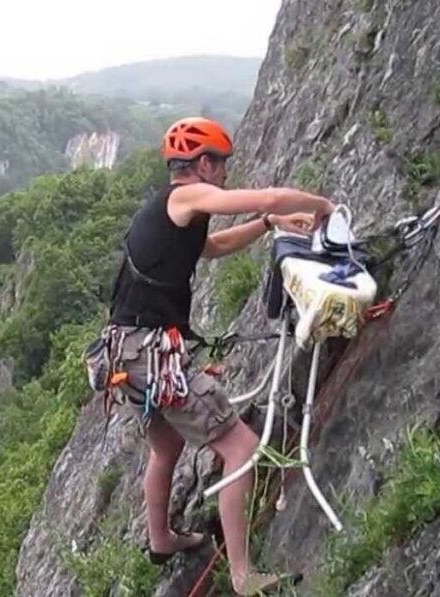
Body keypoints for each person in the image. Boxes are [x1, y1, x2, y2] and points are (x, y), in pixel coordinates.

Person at [109, 117, 334, 595]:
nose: (227, 174)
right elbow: (269, 195)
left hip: (125, 354)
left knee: (166, 447)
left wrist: (269, 225)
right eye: (223, 165)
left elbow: (210, 248)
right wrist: (322, 207)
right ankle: (242, 576)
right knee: (242, 448)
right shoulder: (185, 196)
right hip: (151, 355)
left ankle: (161, 539)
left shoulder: (173, 214)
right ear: (204, 164)